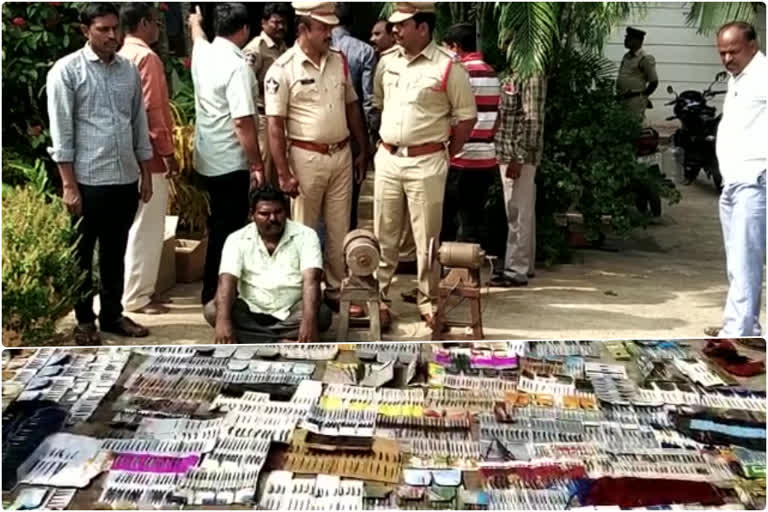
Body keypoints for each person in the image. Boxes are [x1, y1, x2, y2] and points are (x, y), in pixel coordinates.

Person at [47, 2, 154, 345]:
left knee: (115, 251)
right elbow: (62, 132)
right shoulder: (67, 72)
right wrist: (68, 185)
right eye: (103, 29)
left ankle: (112, 315)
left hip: (124, 177)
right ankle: (83, 320)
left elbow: (139, 122)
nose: (112, 35)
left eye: (115, 28)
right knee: (82, 254)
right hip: (86, 181)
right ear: (85, 31)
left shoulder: (128, 71)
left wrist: (146, 172)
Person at [373, 2, 477, 328]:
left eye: (403, 25)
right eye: (394, 25)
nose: (395, 31)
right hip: (389, 158)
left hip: (427, 161)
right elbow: (378, 104)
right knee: (384, 234)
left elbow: (466, 117)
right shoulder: (387, 62)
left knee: (427, 239)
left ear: (423, 28)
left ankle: (429, 301)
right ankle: (380, 298)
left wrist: (446, 152)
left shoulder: (449, 66)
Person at [265, 1, 369, 315]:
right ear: (303, 29)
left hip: (340, 155)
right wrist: (283, 173)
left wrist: (362, 148)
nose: (329, 33)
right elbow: (274, 124)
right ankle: (302, 292)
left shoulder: (339, 61)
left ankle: (336, 290)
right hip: (305, 157)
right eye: (322, 28)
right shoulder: (282, 69)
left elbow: (352, 106)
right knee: (303, 229)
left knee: (339, 229)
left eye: (330, 27)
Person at [188, 3, 265, 308]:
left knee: (217, 227)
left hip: (207, 158)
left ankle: (215, 293)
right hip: (231, 162)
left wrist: (195, 21)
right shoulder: (237, 67)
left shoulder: (203, 52)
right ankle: (218, 296)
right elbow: (242, 121)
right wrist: (257, 163)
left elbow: (196, 36)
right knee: (229, 233)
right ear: (245, 30)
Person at [204, 184, 332, 343]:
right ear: (252, 215)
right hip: (251, 310)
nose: (273, 218)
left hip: (292, 310)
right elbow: (226, 281)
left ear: (286, 212)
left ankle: (254, 338)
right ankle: (279, 340)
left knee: (321, 315)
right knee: (213, 310)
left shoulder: (306, 235)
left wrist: (308, 322)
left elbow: (312, 280)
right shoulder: (236, 239)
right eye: (265, 214)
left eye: (278, 212)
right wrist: (223, 321)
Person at [118, 2, 179, 316]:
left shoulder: (119, 55)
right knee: (147, 227)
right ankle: (138, 297)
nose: (157, 28)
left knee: (134, 227)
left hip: (125, 155)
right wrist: (168, 153)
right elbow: (154, 111)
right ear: (143, 23)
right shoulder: (146, 57)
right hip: (149, 157)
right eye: (155, 22)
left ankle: (137, 291)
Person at [709, 22, 766, 337]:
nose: (727, 58)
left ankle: (739, 331)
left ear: (753, 46)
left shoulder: (763, 75)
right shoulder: (738, 78)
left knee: (745, 262)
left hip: (754, 180)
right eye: (722, 52)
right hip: (734, 181)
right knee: (737, 262)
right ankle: (744, 325)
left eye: (734, 51)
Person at [440, 23, 501, 245]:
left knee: (448, 219)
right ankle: (469, 269)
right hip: (485, 157)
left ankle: (450, 269)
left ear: (455, 47)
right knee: (473, 217)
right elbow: (497, 115)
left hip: (461, 156)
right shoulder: (491, 72)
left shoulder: (460, 72)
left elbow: (455, 115)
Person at [490, 72, 547, 287]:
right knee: (519, 212)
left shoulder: (531, 73)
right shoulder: (512, 71)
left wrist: (519, 157)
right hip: (506, 152)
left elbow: (533, 120)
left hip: (518, 156)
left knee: (518, 213)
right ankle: (523, 265)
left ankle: (516, 270)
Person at [332, 2, 376, 230]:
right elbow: (368, 101)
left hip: (320, 134)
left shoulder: (317, 46)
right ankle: (347, 244)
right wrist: (369, 139)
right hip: (353, 130)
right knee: (349, 194)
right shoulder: (364, 51)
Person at [243, 3, 292, 184]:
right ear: (263, 22)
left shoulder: (283, 48)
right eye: (276, 22)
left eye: (284, 23)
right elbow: (246, 83)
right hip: (263, 118)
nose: (281, 27)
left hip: (281, 117)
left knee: (280, 166)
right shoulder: (256, 49)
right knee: (264, 166)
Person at [616, 27, 658, 121]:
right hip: (622, 99)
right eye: (625, 37)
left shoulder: (645, 58)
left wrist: (643, 96)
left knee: (633, 127)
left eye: (629, 38)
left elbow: (654, 82)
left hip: (634, 100)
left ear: (637, 41)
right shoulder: (627, 56)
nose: (625, 40)